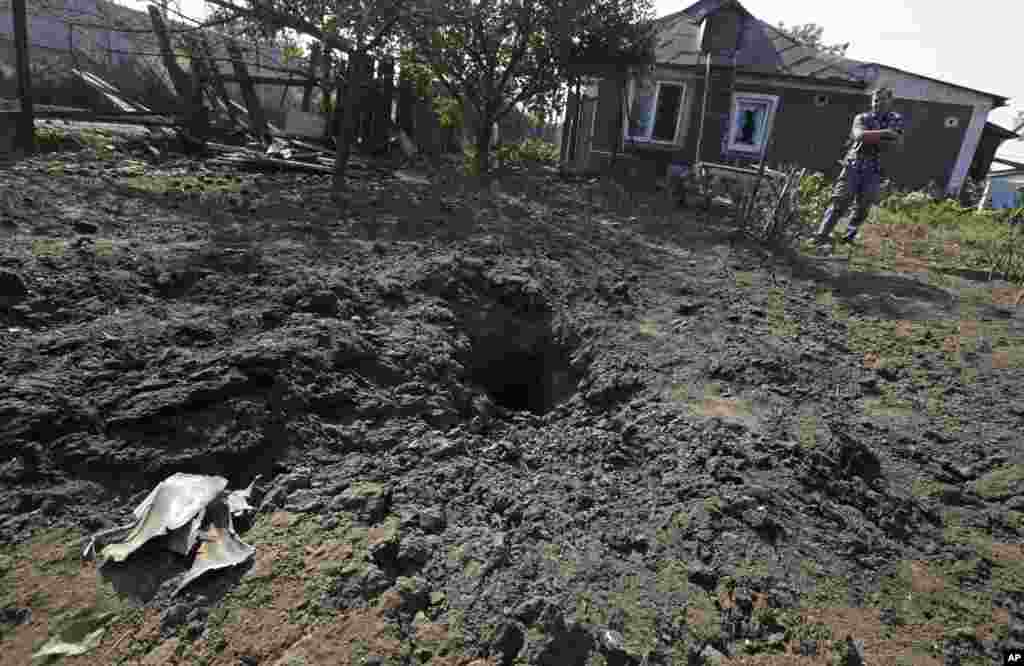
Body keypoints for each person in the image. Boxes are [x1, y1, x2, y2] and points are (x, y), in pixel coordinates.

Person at [810, 87, 904, 248]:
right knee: (840, 200)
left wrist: (873, 136)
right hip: (854, 164)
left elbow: (896, 143)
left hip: (875, 169)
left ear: (890, 101)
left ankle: (848, 238)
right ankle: (821, 236)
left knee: (863, 207)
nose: (878, 103)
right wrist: (886, 133)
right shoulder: (862, 117)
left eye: (882, 99)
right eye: (875, 100)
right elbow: (859, 135)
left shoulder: (896, 119)